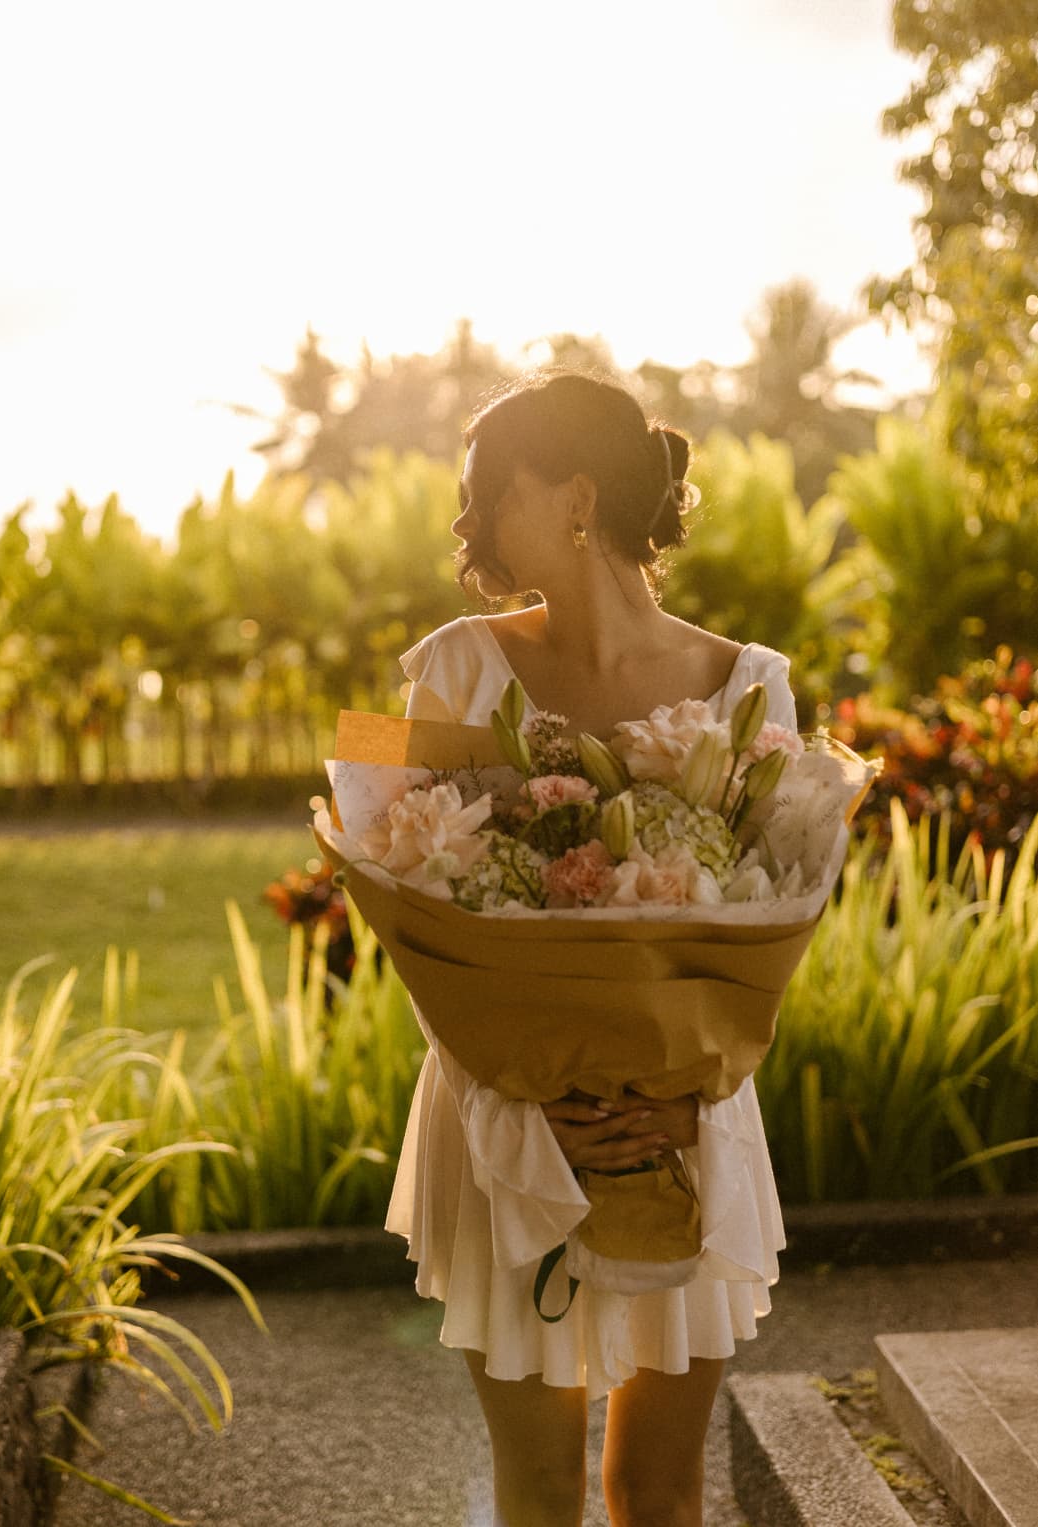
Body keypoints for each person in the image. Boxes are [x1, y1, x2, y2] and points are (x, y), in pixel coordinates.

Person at [385, 369, 795, 1527]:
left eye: (492, 494)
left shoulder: (756, 686)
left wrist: (688, 1090)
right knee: (538, 1487)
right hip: (500, 1115)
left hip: (688, 1126)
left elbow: (778, 909)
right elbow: (377, 854)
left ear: (575, 499)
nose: (470, 523)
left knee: (659, 1490)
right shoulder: (445, 666)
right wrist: (515, 1086)